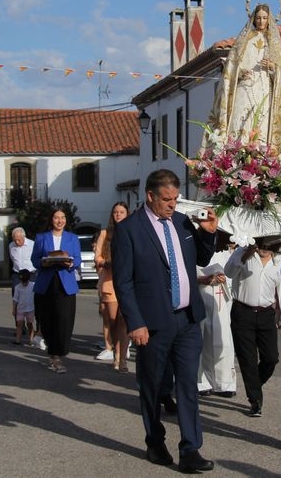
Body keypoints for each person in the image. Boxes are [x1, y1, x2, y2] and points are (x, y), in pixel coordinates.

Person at [111, 169, 218, 473]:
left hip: (187, 318)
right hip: (153, 323)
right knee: (152, 384)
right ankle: (154, 441)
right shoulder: (129, 229)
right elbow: (124, 282)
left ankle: (190, 449)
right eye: (167, 199)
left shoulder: (183, 221)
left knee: (187, 385)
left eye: (175, 199)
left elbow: (199, 257)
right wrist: (135, 322)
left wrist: (208, 232)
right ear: (150, 196)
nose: (172, 205)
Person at [208, 3, 281, 150]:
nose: (261, 21)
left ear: (269, 19)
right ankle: (236, 151)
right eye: (258, 18)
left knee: (262, 122)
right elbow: (231, 65)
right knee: (240, 119)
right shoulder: (244, 40)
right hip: (245, 87)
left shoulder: (273, 42)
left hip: (264, 89)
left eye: (264, 18)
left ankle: (259, 154)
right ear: (253, 19)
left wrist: (273, 67)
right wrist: (240, 72)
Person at [224, 234, 281, 417]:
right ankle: (255, 400)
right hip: (242, 312)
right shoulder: (242, 253)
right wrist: (243, 257)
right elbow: (229, 272)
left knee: (271, 358)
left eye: (269, 245)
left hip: (265, 314)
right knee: (248, 359)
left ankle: (255, 384)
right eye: (262, 243)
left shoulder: (278, 262)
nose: (264, 247)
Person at [30, 207, 81, 374]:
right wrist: (43, 263)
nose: (60, 221)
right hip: (47, 282)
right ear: (51, 220)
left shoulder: (72, 238)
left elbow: (78, 258)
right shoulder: (41, 237)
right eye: (57, 217)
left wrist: (70, 263)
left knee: (64, 319)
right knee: (48, 319)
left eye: (63, 217)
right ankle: (53, 354)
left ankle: (59, 352)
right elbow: (35, 259)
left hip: (65, 282)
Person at [196, 236, 237, 398]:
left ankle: (224, 382)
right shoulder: (196, 252)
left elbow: (234, 275)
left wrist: (225, 279)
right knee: (201, 340)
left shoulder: (228, 254)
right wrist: (202, 279)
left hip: (222, 301)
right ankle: (201, 382)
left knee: (224, 342)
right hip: (202, 296)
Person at [94, 202, 130, 372]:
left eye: (121, 212)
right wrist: (105, 262)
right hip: (110, 282)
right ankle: (115, 352)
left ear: (127, 214)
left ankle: (122, 359)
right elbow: (97, 256)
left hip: (128, 282)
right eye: (115, 212)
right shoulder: (105, 233)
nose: (118, 215)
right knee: (114, 321)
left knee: (124, 321)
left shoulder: (132, 232)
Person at [9, 227, 43, 348]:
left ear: (24, 237)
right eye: (15, 240)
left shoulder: (32, 244)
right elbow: (13, 260)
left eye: (19, 240)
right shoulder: (11, 246)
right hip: (17, 274)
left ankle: (37, 328)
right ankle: (19, 326)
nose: (17, 242)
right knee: (16, 297)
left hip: (31, 274)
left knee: (34, 298)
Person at [11, 269, 35, 346]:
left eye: (25, 282)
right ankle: (17, 340)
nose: (23, 283)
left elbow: (37, 297)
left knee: (29, 324)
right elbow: (15, 299)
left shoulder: (33, 285)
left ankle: (31, 340)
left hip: (30, 309)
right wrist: (14, 309)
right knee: (19, 324)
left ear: (28, 279)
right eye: (22, 281)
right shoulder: (17, 287)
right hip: (20, 309)